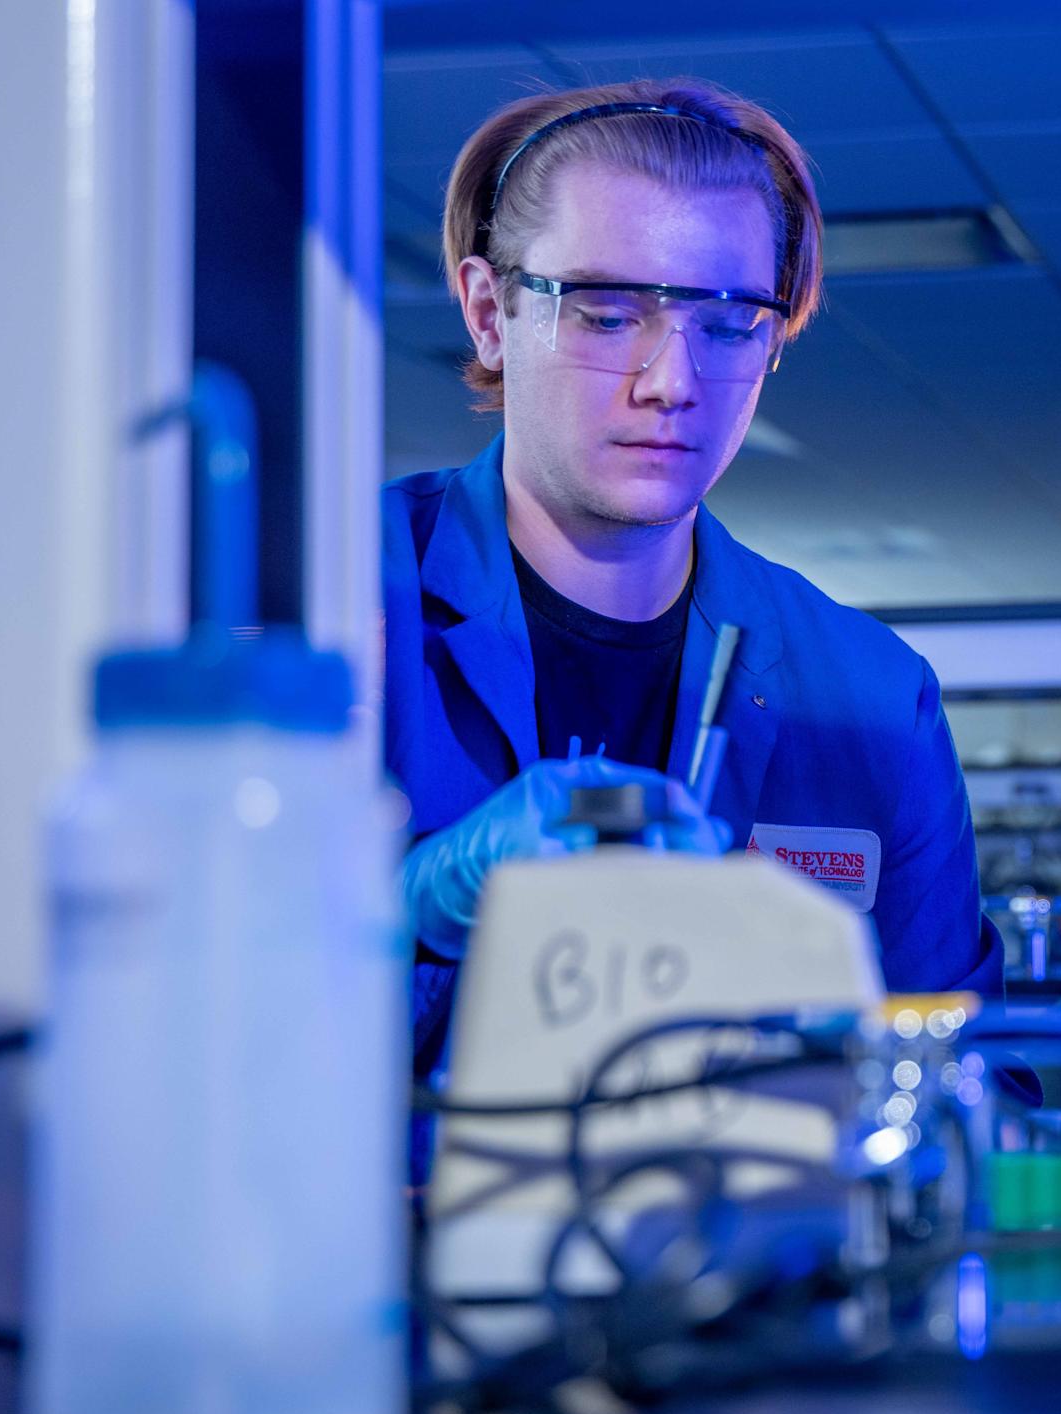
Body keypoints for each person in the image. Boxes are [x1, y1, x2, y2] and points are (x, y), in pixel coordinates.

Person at [384, 80, 1003, 1078]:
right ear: (491, 314)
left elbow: (966, 1087)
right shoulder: (325, 609)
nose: (671, 380)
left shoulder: (870, 698)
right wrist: (406, 911)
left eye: (727, 324)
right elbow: (185, 1013)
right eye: (604, 313)